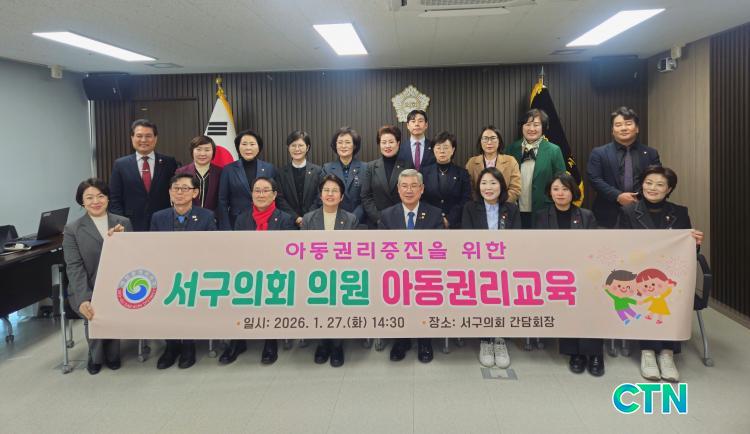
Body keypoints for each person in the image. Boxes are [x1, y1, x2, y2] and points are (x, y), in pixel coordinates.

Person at [616, 165, 703, 382]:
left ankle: (667, 353)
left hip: (671, 276)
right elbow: (619, 247)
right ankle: (647, 352)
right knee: (648, 294)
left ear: (669, 189)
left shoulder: (679, 212)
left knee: (670, 295)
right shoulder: (628, 212)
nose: (652, 188)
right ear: (642, 185)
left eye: (659, 184)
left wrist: (695, 243)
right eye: (648, 183)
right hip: (638, 274)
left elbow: (689, 252)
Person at [533, 173, 602, 376]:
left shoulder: (586, 216)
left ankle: (595, 353)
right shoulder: (541, 216)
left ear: (573, 192)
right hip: (554, 274)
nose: (560, 193)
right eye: (555, 189)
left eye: (565, 189)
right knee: (566, 300)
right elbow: (537, 248)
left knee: (590, 301)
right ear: (549, 193)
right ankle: (575, 353)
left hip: (584, 273)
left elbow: (594, 249)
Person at [220, 177, 295, 365]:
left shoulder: (285, 220)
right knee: (234, 291)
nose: (261, 195)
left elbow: (288, 253)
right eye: (257, 191)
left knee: (271, 290)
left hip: (275, 273)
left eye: (265, 191)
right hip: (247, 271)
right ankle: (237, 341)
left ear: (274, 195)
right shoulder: (242, 219)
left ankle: (270, 341)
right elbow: (238, 250)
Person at [63, 178, 132, 375]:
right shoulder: (73, 229)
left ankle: (112, 354)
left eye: (101, 196)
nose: (96, 201)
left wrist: (120, 240)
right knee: (93, 309)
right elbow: (74, 267)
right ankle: (96, 356)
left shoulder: (123, 223)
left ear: (108, 198)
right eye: (89, 197)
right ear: (82, 202)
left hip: (118, 285)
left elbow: (131, 258)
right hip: (85, 286)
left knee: (114, 303)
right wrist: (84, 297)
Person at [150, 173, 217, 370]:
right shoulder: (158, 217)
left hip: (195, 274)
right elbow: (152, 248)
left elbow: (212, 248)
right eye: (176, 188)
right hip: (166, 273)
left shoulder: (206, 216)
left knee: (190, 306)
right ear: (170, 192)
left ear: (195, 193)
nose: (179, 192)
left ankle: (188, 345)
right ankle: (171, 346)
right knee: (166, 307)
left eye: (185, 188)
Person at [378, 169, 443, 363]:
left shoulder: (434, 214)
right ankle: (402, 340)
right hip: (397, 273)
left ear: (422, 189)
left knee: (426, 291)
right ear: (398, 189)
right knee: (396, 289)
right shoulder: (387, 215)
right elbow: (383, 250)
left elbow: (439, 248)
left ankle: (425, 341)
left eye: (414, 186)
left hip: (425, 273)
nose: (409, 190)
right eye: (404, 186)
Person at [461, 167, 521, 368]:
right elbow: (467, 239)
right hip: (478, 265)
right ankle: (486, 340)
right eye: (484, 183)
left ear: (501, 186)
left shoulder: (511, 209)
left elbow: (516, 239)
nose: (488, 187)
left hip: (506, 265)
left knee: (504, 297)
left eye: (493, 183)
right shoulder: (470, 208)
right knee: (485, 297)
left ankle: (500, 339)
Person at [301, 175, 359, 367]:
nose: (330, 194)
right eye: (326, 190)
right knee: (319, 306)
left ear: (341, 197)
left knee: (338, 306)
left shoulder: (350, 219)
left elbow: (354, 251)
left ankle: (337, 345)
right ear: (320, 195)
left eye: (335, 191)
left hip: (342, 273)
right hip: (315, 274)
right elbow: (303, 251)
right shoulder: (308, 219)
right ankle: (322, 343)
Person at [588, 106, 661, 228]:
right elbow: (594, 179)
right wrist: (617, 196)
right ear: (612, 130)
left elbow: (657, 179)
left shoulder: (650, 153)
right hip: (607, 213)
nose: (623, 128)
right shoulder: (599, 153)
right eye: (618, 125)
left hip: (643, 211)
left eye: (628, 124)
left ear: (637, 128)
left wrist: (637, 197)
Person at [109, 119, 178, 231]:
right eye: (139, 136)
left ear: (155, 138)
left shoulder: (169, 162)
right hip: (131, 224)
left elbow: (176, 192)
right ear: (132, 138)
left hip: (163, 222)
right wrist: (120, 222)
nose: (144, 140)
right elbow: (114, 198)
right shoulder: (120, 164)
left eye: (148, 136)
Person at [506, 109, 566, 228]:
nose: (531, 128)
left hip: (544, 210)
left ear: (543, 127)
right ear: (522, 126)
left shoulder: (554, 150)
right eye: (528, 124)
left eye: (536, 125)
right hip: (514, 209)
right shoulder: (511, 149)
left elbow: (562, 181)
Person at [217, 129, 277, 230]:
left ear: (259, 147)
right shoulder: (228, 170)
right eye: (244, 144)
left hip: (265, 221)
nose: (248, 148)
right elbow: (222, 201)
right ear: (238, 147)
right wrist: (226, 228)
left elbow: (275, 197)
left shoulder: (269, 168)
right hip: (236, 222)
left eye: (252, 144)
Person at [361, 125, 411, 228]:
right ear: (379, 144)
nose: (387, 146)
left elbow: (413, 194)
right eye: (384, 142)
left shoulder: (408, 166)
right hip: (377, 223)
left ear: (398, 143)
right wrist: (379, 218)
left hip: (402, 221)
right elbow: (366, 196)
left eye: (391, 142)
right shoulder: (371, 167)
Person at [421, 131, 471, 229]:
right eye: (438, 147)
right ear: (433, 150)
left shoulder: (462, 173)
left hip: (455, 225)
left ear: (453, 150)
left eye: (446, 147)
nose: (442, 151)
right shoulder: (423, 172)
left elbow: (466, 199)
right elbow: (420, 198)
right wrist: (436, 218)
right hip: (429, 222)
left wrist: (449, 219)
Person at [275, 130, 323, 228]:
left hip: (313, 221)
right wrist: (296, 218)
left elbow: (320, 197)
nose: (297, 149)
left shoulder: (318, 171)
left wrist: (307, 218)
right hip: (288, 222)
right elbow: (279, 199)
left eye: (300, 145)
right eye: (293, 145)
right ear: (288, 148)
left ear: (307, 147)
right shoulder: (281, 173)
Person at [321, 127, 366, 224]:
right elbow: (322, 197)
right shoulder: (327, 169)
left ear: (354, 145)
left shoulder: (365, 168)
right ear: (335, 145)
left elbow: (366, 199)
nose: (343, 146)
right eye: (340, 142)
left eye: (347, 142)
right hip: (334, 221)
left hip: (359, 221)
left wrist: (352, 219)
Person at [465, 126, 521, 203]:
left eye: (493, 138)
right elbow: (468, 188)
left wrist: (498, 203)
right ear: (480, 141)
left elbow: (515, 189)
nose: (489, 142)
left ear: (499, 141)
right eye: (485, 138)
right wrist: (483, 204)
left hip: (505, 206)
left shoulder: (511, 161)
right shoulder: (471, 162)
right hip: (479, 206)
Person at [175, 135, 222, 211]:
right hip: (188, 216)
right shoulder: (181, 172)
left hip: (213, 217)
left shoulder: (221, 172)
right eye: (198, 149)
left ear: (213, 152)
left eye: (207, 150)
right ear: (192, 151)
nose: (202, 154)